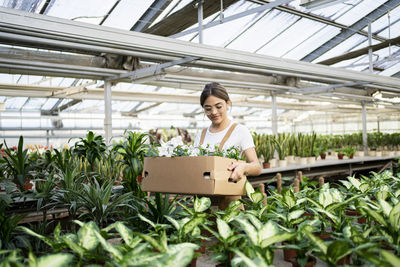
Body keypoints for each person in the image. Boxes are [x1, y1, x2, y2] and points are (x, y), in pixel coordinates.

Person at [194, 82, 262, 209]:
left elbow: (257, 167)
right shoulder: (201, 135)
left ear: (228, 103)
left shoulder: (240, 131)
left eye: (218, 106)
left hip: (230, 206)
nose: (213, 112)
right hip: (203, 206)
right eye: (207, 109)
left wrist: (243, 167)